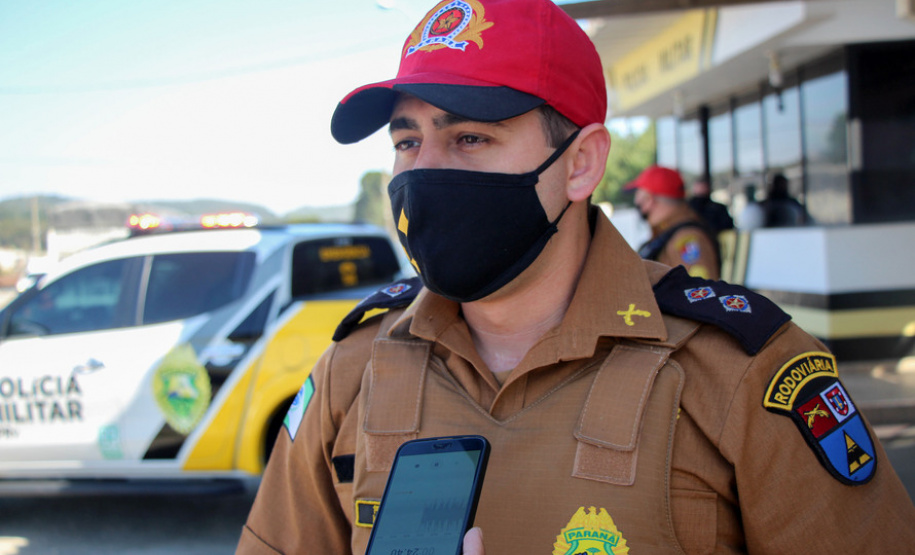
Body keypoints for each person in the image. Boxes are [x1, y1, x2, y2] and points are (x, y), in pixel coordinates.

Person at [237, 0, 915, 553]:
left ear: (582, 162)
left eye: (471, 138)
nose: (422, 172)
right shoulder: (350, 371)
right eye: (407, 142)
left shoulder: (743, 374)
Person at [628, 165, 721, 279]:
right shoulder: (666, 232)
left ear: (649, 200)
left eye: (638, 194)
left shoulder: (687, 238)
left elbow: (700, 292)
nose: (636, 200)